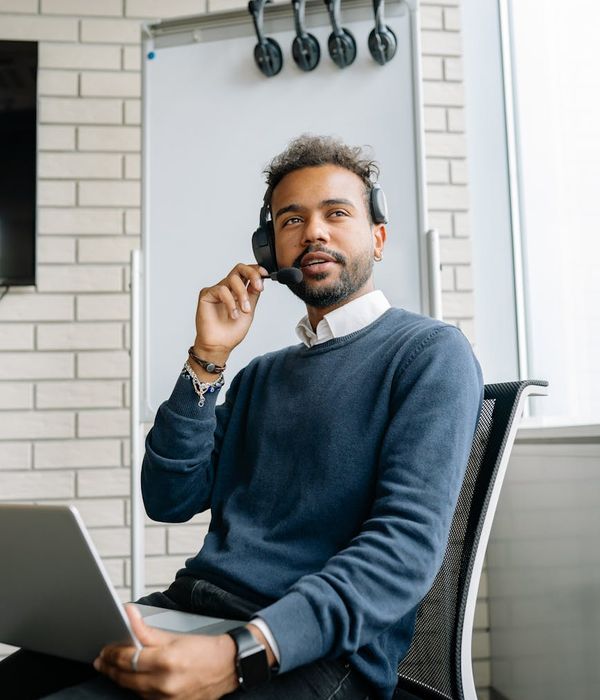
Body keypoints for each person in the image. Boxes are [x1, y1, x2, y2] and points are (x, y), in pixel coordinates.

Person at [0, 134, 483, 700]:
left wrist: (242, 653)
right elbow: (168, 496)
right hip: (193, 612)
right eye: (291, 220)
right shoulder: (260, 376)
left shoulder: (430, 354)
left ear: (377, 238)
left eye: (336, 213)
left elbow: (404, 546)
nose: (314, 232)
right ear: (270, 250)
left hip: (313, 654)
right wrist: (208, 358)